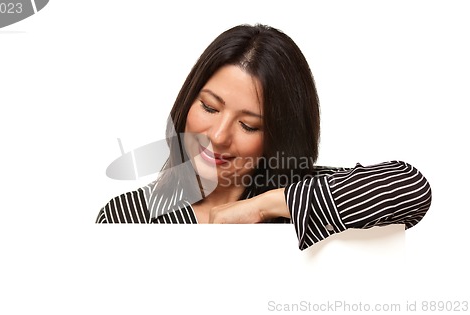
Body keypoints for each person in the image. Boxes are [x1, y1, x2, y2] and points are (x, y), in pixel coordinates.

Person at [95, 24, 432, 250]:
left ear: (277, 137)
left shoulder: (302, 197)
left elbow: (411, 188)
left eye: (249, 125)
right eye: (210, 108)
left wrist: (258, 208)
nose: (219, 136)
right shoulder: (128, 216)